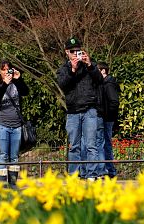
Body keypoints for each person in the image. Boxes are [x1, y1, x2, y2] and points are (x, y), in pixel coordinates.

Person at [57, 36, 105, 179]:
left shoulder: (89, 66)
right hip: (72, 111)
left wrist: (89, 64)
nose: (75, 54)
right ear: (67, 52)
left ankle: (92, 174)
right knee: (74, 146)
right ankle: (74, 175)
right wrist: (72, 70)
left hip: (90, 110)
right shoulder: (64, 69)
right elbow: (63, 85)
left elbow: (100, 80)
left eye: (78, 50)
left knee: (91, 145)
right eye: (72, 51)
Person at [0, 60, 29, 189]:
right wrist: (5, 84)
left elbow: (26, 91)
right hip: (3, 125)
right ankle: (2, 185)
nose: (6, 72)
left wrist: (19, 79)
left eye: (8, 69)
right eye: (3, 69)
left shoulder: (16, 84)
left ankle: (13, 183)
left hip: (17, 126)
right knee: (3, 155)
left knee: (14, 156)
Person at [97, 61, 120, 177]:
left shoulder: (108, 83)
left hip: (106, 118)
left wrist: (108, 115)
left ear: (103, 71)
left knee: (104, 144)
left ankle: (108, 170)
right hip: (107, 117)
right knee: (105, 143)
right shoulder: (105, 83)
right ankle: (109, 170)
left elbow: (114, 102)